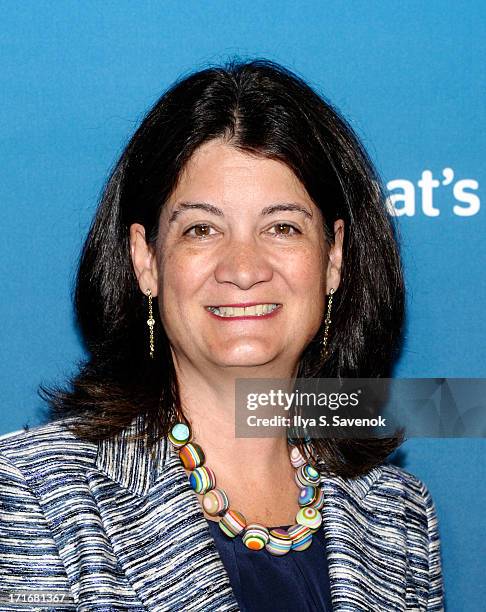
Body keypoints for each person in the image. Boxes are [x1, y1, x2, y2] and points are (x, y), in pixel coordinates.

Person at [0, 58, 443, 611]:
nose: (243, 267)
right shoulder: (30, 496)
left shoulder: (398, 516)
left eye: (281, 227)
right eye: (201, 229)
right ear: (146, 260)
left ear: (333, 258)